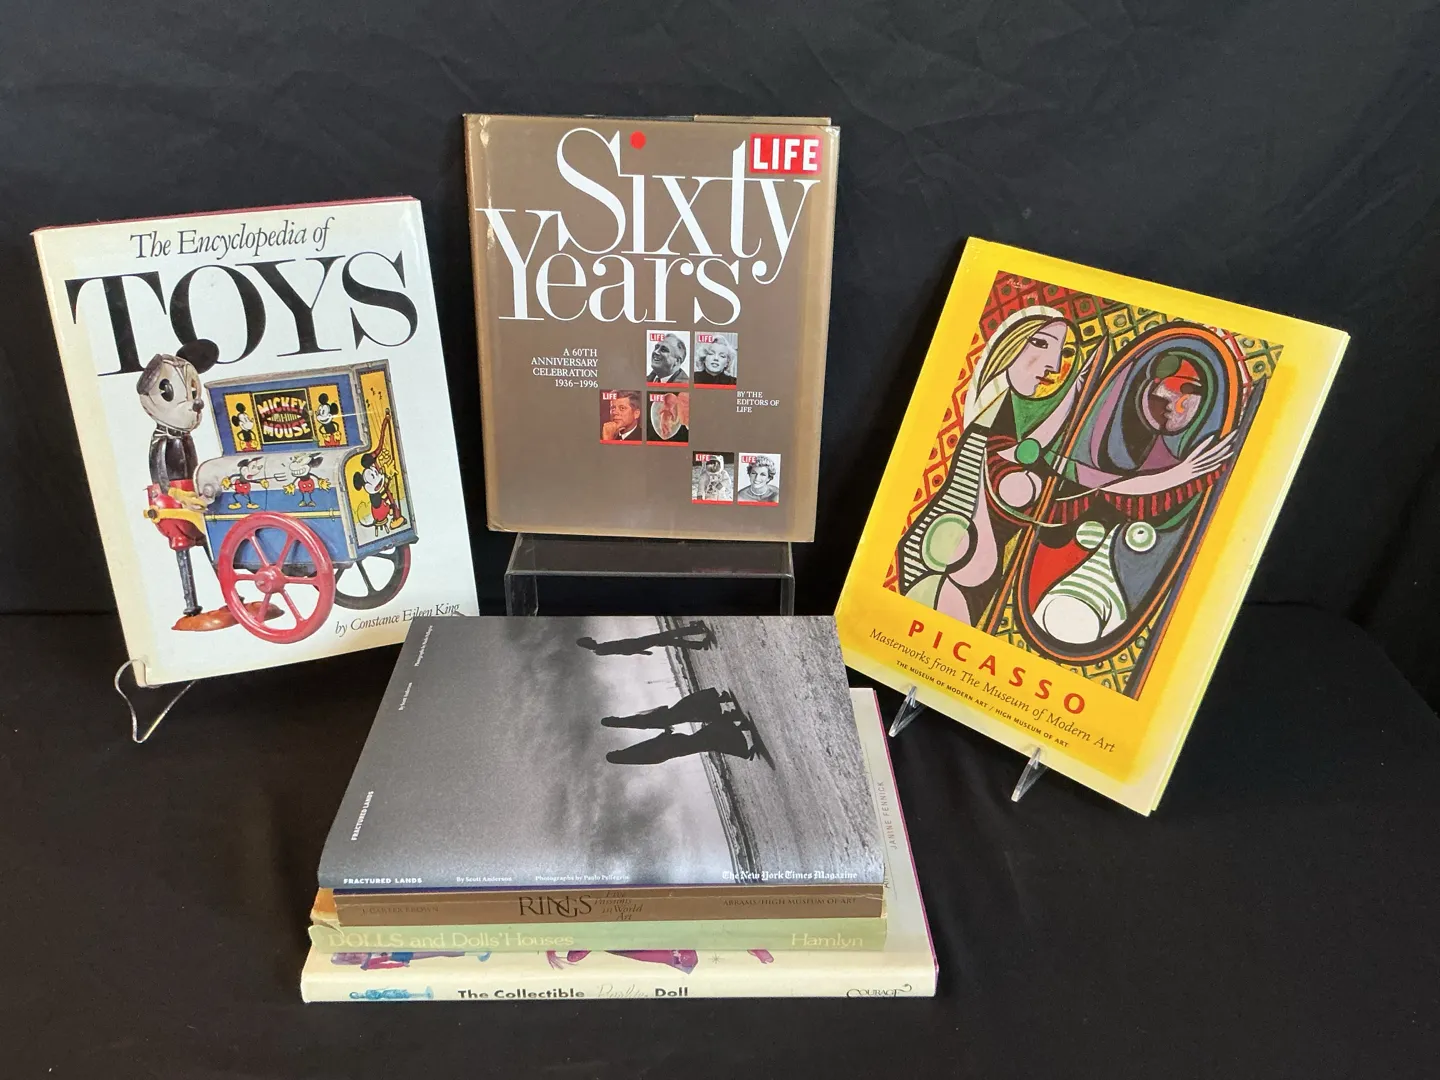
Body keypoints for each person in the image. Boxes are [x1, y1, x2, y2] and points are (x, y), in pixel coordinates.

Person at [895, 307, 1091, 626]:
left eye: (1066, 353)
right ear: (1009, 343)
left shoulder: (1015, 413)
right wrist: (1073, 396)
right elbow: (1026, 452)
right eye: (1040, 343)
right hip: (942, 561)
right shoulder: (990, 410)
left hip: (971, 566)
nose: (1054, 366)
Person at [602, 687, 755, 765]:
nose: (616, 750)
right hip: (673, 745)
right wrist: (664, 736)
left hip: (675, 748)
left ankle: (732, 721)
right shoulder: (630, 753)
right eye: (614, 753)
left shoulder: (630, 757)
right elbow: (650, 746)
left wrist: (664, 736)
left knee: (708, 736)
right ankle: (737, 735)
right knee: (705, 731)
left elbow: (651, 749)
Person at [577, 621, 716, 655]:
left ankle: (698, 644)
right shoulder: (600, 649)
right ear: (587, 643)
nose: (592, 639)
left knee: (668, 640)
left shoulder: (599, 650)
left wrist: (640, 651)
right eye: (589, 640)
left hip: (637, 644)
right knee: (667, 636)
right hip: (637, 643)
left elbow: (622, 650)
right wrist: (640, 650)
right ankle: (697, 630)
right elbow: (622, 649)